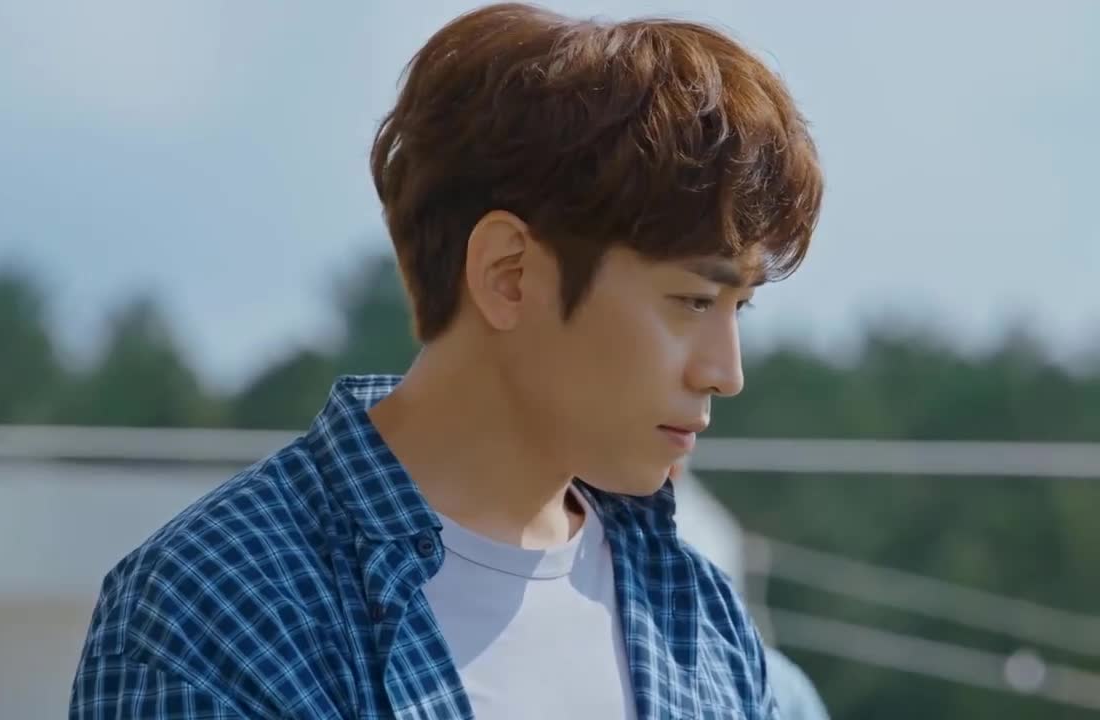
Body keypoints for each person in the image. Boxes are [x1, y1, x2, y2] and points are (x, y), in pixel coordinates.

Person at [69, 3, 823, 718]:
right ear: (509, 275)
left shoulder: (701, 618)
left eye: (739, 308)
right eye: (693, 300)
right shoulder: (217, 611)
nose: (725, 372)